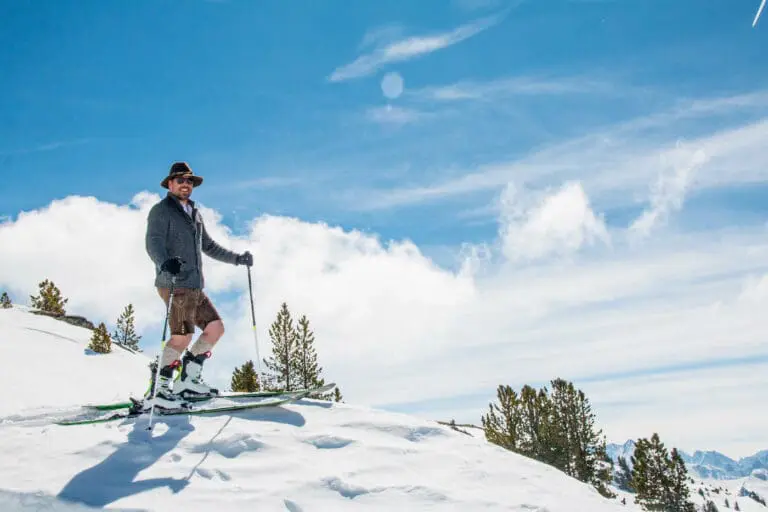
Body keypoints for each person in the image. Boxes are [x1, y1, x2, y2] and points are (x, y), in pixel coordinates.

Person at [143, 161, 253, 410]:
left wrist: (238, 259)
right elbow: (153, 242)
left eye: (189, 181)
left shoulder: (194, 212)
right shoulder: (162, 211)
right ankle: (158, 390)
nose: (185, 184)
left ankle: (188, 381)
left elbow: (209, 246)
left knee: (215, 328)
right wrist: (164, 263)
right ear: (169, 184)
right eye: (180, 180)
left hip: (194, 285)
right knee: (182, 336)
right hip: (175, 283)